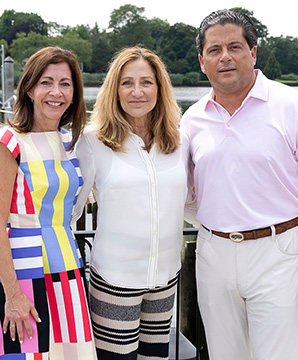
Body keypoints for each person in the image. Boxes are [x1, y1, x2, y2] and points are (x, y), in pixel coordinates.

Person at [180, 9, 298, 360]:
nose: (225, 57)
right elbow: (181, 188)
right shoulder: (191, 119)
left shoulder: (295, 107)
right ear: (202, 61)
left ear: (253, 53)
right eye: (214, 50)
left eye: (235, 47)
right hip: (214, 252)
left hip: (279, 252)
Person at [0, 47, 97, 360]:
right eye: (46, 82)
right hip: (21, 269)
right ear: (28, 89)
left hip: (65, 264)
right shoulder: (8, 140)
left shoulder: (71, 142)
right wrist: (12, 294)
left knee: (67, 353)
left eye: (65, 84)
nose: (56, 92)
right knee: (23, 353)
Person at [73, 46, 195, 359]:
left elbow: (193, 201)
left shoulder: (180, 142)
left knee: (155, 358)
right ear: (114, 90)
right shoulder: (92, 141)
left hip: (165, 279)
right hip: (116, 280)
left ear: (160, 89)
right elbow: (68, 210)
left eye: (146, 82)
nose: (137, 91)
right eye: (127, 83)